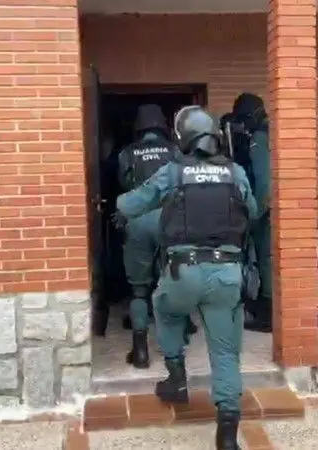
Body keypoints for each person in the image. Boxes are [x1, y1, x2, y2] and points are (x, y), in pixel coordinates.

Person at [114, 106, 258, 450]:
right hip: (227, 274)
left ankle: (176, 378)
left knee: (164, 308)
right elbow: (251, 212)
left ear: (183, 138)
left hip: (183, 272)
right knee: (225, 351)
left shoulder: (173, 172)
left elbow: (129, 205)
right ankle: (227, 433)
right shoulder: (235, 172)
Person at [115, 104, 179, 368]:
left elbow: (123, 184)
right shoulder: (175, 151)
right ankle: (176, 347)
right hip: (170, 221)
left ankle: (140, 352)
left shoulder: (127, 153)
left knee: (138, 290)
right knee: (173, 283)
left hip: (138, 220)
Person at [231, 93, 272, 333]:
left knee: (267, 261)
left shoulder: (259, 137)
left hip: (267, 212)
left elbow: (264, 183)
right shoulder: (272, 132)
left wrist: (254, 216)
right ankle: (267, 308)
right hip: (281, 209)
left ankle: (268, 316)